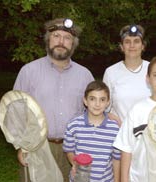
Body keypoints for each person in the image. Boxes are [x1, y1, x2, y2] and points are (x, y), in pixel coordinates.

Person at [13, 18, 94, 182]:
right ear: (48, 39)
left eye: (67, 38)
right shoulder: (29, 71)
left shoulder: (85, 75)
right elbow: (16, 112)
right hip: (37, 148)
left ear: (73, 44)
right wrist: (22, 146)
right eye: (56, 35)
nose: (61, 42)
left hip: (73, 149)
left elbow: (95, 112)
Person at [63, 80, 120, 182]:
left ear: (108, 102)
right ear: (85, 101)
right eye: (92, 99)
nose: (97, 104)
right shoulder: (73, 125)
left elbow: (116, 159)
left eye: (102, 100)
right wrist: (75, 163)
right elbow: (69, 150)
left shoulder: (115, 129)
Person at [103, 24, 151, 126]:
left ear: (143, 46)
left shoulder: (153, 69)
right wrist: (110, 117)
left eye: (136, 41)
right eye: (127, 42)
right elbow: (103, 107)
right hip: (120, 134)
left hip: (149, 134)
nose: (132, 46)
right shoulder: (111, 72)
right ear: (121, 46)